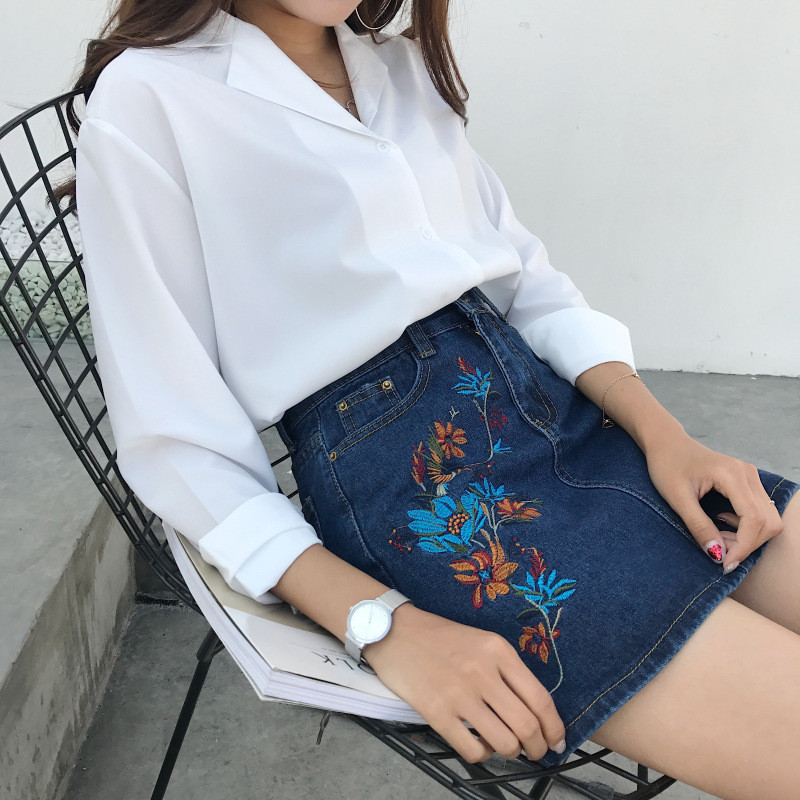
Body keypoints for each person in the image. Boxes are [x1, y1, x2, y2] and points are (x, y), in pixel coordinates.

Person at [59, 1, 800, 797]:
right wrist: (382, 623)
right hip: (424, 491)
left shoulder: (399, 71)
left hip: (561, 419)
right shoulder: (151, 96)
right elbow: (177, 442)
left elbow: (526, 283)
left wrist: (666, 438)